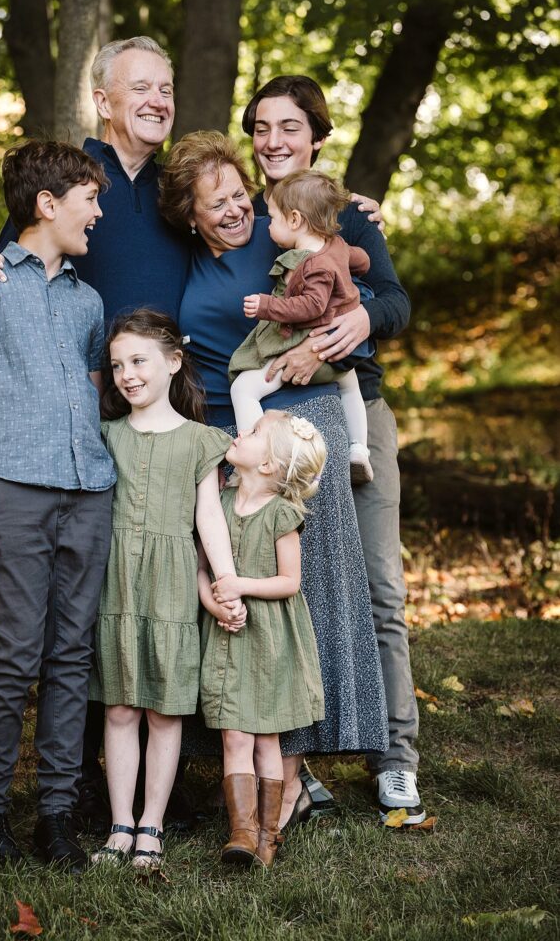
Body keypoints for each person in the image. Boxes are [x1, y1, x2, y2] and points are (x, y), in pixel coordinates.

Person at [0, 38, 386, 826]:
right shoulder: (76, 176)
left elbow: (267, 229)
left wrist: (349, 220)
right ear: (103, 99)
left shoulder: (183, 188)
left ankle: (177, 772)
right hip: (85, 422)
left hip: (175, 416)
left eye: (166, 86)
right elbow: (13, 249)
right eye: (138, 87)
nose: (156, 98)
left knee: (170, 596)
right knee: (100, 600)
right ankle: (77, 781)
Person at [159, 130, 389, 829]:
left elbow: (362, 296)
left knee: (312, 592)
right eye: (214, 203)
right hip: (229, 440)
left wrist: (363, 226)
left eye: (237, 195)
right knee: (239, 604)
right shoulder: (181, 261)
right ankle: (244, 760)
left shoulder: (284, 231)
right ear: (189, 216)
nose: (232, 211)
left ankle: (291, 773)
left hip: (300, 422)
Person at [243, 75, 424, 823]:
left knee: (379, 586)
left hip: (355, 410)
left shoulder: (349, 216)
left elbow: (393, 300)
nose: (273, 140)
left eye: (288, 127)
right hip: (274, 424)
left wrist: (361, 324)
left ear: (316, 136)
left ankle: (396, 758)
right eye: (260, 128)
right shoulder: (240, 217)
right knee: (297, 589)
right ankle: (299, 763)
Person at [0, 141, 116, 870]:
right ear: (47, 204)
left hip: (88, 492)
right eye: (88, 200)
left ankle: (56, 816)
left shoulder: (88, 299)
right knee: (14, 653)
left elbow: (95, 390)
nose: (98, 214)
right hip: (10, 485)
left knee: (72, 656)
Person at [89, 309, 245, 871]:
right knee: (120, 709)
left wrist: (226, 584)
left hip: (174, 586)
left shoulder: (203, 441)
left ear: (173, 362)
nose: (127, 374)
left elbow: (209, 519)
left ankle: (152, 822)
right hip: (117, 586)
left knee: (164, 713)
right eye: (117, 365)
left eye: (139, 361)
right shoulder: (105, 436)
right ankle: (119, 825)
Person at [200, 410, 326, 868]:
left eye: (252, 433)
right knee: (234, 735)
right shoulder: (218, 501)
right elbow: (201, 566)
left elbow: (289, 582)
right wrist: (215, 602)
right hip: (229, 633)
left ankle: (270, 835)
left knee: (265, 739)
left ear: (269, 465)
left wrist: (241, 586)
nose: (240, 432)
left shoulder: (281, 515)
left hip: (269, 638)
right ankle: (242, 832)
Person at [229, 169, 374, 484]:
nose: (269, 227)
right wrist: (358, 265)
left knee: (244, 388)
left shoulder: (311, 265)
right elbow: (360, 259)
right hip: (342, 351)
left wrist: (267, 306)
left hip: (308, 346)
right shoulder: (334, 246)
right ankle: (359, 450)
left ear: (294, 220)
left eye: (275, 220)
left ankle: (257, 460)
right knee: (351, 388)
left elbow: (312, 306)